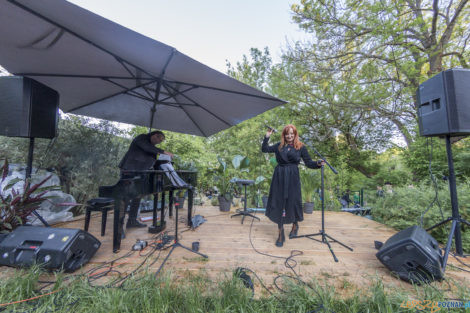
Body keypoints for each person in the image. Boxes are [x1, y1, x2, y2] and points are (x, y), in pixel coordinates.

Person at [261, 124, 324, 247]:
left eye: (292, 133)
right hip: (279, 177)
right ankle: (280, 233)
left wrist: (318, 163)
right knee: (280, 203)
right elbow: (264, 149)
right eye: (287, 133)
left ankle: (295, 225)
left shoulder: (301, 147)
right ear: (284, 135)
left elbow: (308, 163)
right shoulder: (279, 146)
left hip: (293, 177)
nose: (289, 136)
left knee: (293, 202)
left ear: (295, 134)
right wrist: (267, 136)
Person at [119, 131, 174, 228]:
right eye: (158, 138)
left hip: (141, 172)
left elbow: (151, 159)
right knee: (125, 198)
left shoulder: (153, 148)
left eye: (160, 141)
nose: (158, 141)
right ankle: (119, 227)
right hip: (129, 170)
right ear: (153, 134)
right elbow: (147, 148)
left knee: (138, 196)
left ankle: (131, 221)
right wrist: (163, 152)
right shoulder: (142, 137)